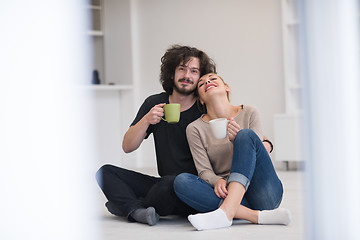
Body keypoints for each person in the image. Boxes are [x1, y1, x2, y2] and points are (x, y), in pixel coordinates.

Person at [95, 45, 216, 226]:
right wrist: (146, 120)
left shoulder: (205, 107)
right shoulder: (154, 103)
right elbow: (127, 147)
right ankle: (136, 210)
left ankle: (128, 206)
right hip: (164, 184)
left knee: (170, 184)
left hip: (194, 187)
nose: (187, 76)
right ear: (171, 74)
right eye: (182, 69)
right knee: (105, 172)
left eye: (194, 71)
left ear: (200, 77)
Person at [173, 73, 291, 231]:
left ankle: (227, 211)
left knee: (245, 135)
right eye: (201, 83)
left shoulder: (250, 112)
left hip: (263, 194)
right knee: (181, 182)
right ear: (200, 99)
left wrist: (238, 139)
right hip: (227, 194)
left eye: (213, 79)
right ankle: (254, 216)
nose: (207, 82)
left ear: (226, 88)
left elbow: (258, 153)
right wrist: (217, 181)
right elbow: (204, 171)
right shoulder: (194, 128)